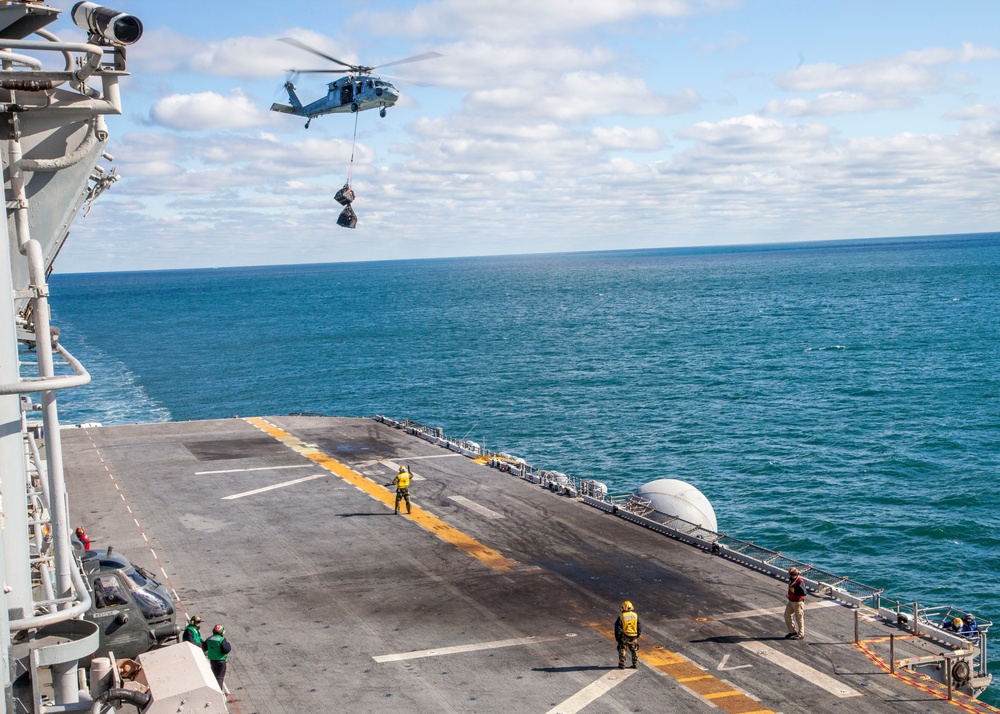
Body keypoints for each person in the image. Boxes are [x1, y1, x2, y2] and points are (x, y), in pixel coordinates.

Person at [615, 600, 642, 669]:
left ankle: (622, 664)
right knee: (634, 650)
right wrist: (638, 634)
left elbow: (618, 628)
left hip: (624, 636)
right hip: (633, 636)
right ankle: (635, 663)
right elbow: (639, 626)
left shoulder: (621, 616)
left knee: (622, 649)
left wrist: (618, 638)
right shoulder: (635, 615)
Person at [204, 624, 232, 689]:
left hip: (212, 661)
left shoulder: (209, 639)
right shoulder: (222, 640)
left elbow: (204, 647)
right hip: (221, 661)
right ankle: (219, 691)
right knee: (220, 677)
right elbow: (226, 650)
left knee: (214, 676)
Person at [784, 567, 806, 640]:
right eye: (792, 574)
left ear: (797, 574)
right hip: (791, 601)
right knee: (787, 615)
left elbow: (804, 593)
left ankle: (801, 634)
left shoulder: (800, 581)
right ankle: (792, 631)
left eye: (794, 574)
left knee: (799, 618)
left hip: (798, 602)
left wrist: (795, 591)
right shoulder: (791, 579)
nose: (793, 575)